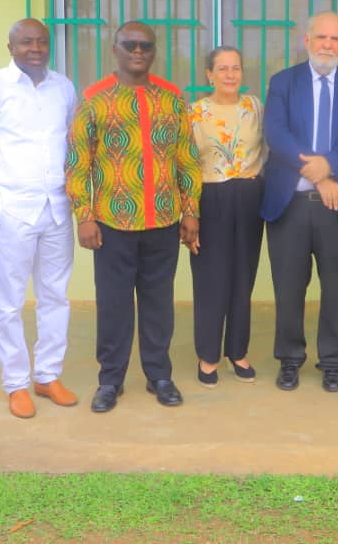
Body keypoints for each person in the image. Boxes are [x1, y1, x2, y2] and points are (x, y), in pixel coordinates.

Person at [68, 21, 201, 413]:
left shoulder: (172, 99)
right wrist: (84, 215)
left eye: (146, 45)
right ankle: (110, 379)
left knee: (159, 302)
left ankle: (159, 375)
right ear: (116, 49)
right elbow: (78, 162)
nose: (138, 51)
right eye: (130, 45)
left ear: (154, 51)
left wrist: (190, 211)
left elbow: (186, 158)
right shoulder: (94, 100)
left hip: (163, 220)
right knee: (114, 305)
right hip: (113, 223)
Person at [0, 18, 79, 419]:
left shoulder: (63, 88)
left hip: (56, 208)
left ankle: (47, 375)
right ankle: (16, 383)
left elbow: (71, 144)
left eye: (41, 42)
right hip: (13, 209)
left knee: (55, 296)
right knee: (9, 303)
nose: (35, 48)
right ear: (10, 47)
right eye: (26, 42)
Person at [261, 11, 338, 393]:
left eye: (335, 39)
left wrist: (332, 164)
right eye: (322, 37)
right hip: (290, 203)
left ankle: (332, 362)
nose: (328, 45)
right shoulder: (283, 82)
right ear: (307, 40)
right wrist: (320, 174)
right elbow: (276, 133)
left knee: (337, 289)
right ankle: (289, 359)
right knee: (288, 287)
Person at [188, 46, 266, 387]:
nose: (230, 74)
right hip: (210, 198)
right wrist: (189, 213)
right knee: (211, 279)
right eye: (222, 68)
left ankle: (237, 351)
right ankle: (208, 355)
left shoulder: (255, 107)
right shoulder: (195, 112)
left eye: (235, 68)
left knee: (242, 277)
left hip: (249, 198)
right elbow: (186, 165)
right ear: (210, 74)